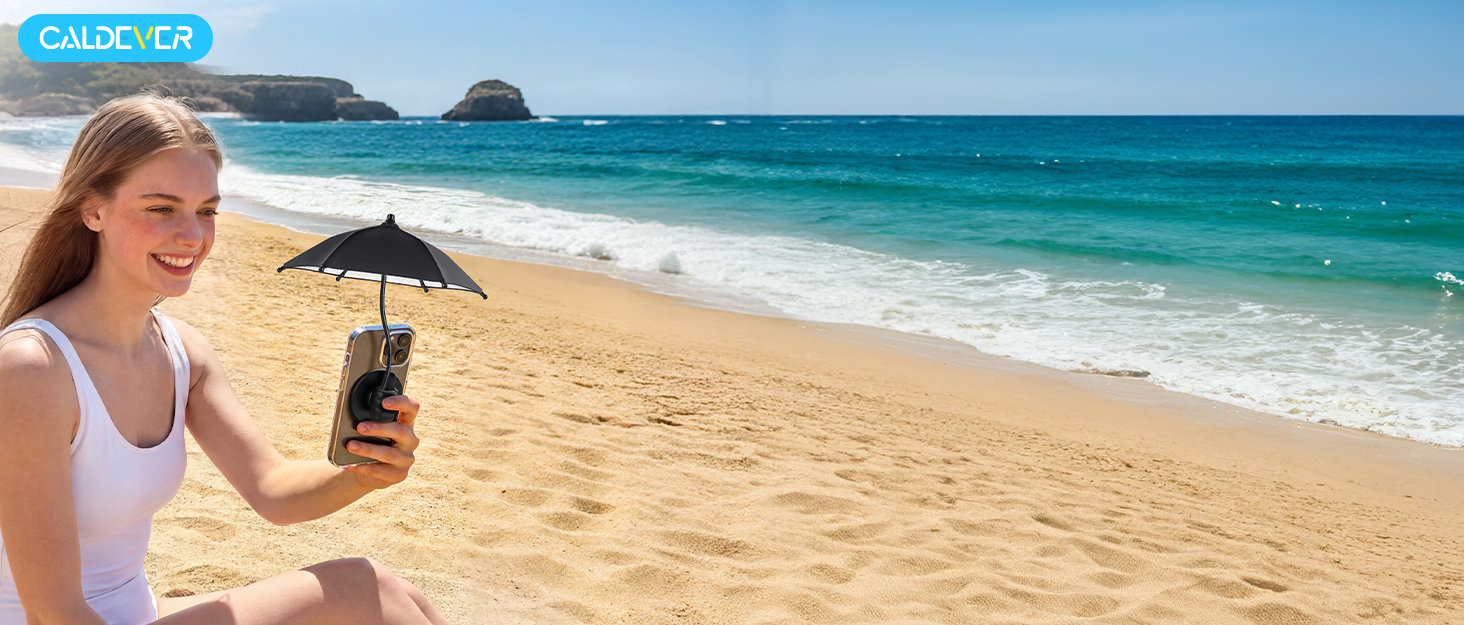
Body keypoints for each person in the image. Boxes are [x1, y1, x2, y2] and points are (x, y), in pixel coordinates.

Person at [0, 91, 453, 624]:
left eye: (206, 211)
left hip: (134, 612)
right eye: (161, 208)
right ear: (93, 209)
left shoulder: (179, 351)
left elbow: (273, 493)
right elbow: (54, 613)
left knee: (403, 595)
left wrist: (364, 471)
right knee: (366, 588)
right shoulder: (32, 369)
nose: (191, 236)